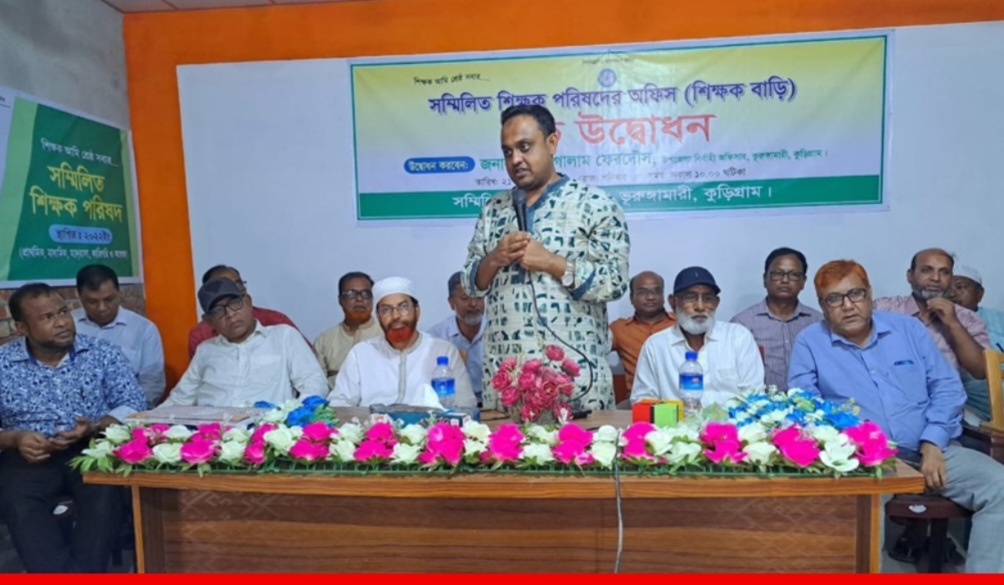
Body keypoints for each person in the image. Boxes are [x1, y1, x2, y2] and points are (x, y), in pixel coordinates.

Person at [788, 259, 1004, 574]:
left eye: (855, 294)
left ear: (869, 293)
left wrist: (933, 441)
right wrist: (857, 448)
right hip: (863, 460)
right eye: (834, 299)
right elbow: (805, 408)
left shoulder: (908, 329)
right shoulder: (810, 342)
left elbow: (947, 388)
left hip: (933, 448)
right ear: (822, 306)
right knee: (858, 505)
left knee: (999, 486)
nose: (848, 306)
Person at [461, 104, 630, 412]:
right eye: (508, 152)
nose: (515, 159)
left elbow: (614, 281)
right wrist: (495, 258)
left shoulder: (595, 203)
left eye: (524, 147)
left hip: (576, 380)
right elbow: (470, 283)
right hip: (508, 381)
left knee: (582, 445)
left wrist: (552, 263)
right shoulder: (493, 210)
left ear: (552, 143)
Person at [0, 283, 146, 573]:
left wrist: (95, 425)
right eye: (47, 317)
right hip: (26, 456)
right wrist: (15, 438)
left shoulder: (102, 353)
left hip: (90, 448)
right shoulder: (3, 364)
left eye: (63, 312)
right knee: (17, 499)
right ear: (22, 328)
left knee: (106, 493)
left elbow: (134, 403)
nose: (62, 322)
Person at [162, 278, 328, 407]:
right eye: (218, 311)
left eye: (235, 304)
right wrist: (148, 422)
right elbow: (179, 400)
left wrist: (295, 416)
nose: (230, 314)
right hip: (212, 433)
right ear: (209, 321)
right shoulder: (205, 350)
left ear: (248, 303)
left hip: (266, 431)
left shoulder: (283, 336)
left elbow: (313, 382)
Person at [329, 277, 476, 409]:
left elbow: (465, 404)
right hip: (374, 428)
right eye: (386, 310)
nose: (396, 316)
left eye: (403, 307)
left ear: (417, 311)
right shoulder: (361, 354)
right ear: (378, 316)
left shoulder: (443, 350)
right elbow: (339, 404)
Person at [631, 267, 764, 406]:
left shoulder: (738, 337)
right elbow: (641, 401)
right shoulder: (656, 346)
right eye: (690, 297)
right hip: (677, 419)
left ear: (716, 303)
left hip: (731, 419)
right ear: (673, 302)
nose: (700, 307)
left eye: (707, 298)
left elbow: (754, 396)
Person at [873, 248, 989, 380]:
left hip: (946, 392)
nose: (936, 278)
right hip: (889, 392)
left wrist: (954, 324)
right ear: (910, 276)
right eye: (926, 270)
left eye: (944, 272)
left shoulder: (967, 318)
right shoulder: (882, 309)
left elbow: (982, 371)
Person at [72, 264, 166, 407]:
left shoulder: (143, 329)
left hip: (129, 412)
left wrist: (125, 413)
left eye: (109, 299)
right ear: (79, 296)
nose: (102, 308)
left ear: (119, 292)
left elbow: (152, 383)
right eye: (92, 302)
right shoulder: (67, 326)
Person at [730, 247, 822, 391]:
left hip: (811, 403)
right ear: (765, 279)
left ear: (803, 281)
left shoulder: (818, 322)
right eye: (778, 274)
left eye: (794, 275)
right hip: (758, 403)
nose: (785, 280)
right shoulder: (742, 324)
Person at [187, 264, 307, 359]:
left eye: (238, 283)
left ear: (248, 300)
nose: (234, 289)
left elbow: (308, 363)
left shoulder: (276, 322)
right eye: (223, 285)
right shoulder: (201, 336)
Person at [949, 264, 1004, 423]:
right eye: (947, 289)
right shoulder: (938, 324)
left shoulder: (999, 319)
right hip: (975, 407)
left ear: (979, 294)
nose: (952, 294)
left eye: (960, 287)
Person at [610, 271, 676, 393]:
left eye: (657, 291)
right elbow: (593, 350)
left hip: (676, 396)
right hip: (638, 398)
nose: (650, 297)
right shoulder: (619, 329)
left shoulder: (680, 324)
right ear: (631, 297)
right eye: (642, 292)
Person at [313, 271, 382, 387]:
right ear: (340, 300)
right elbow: (315, 384)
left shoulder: (387, 335)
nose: (359, 299)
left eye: (366, 293)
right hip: (335, 398)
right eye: (351, 294)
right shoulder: (324, 340)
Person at [426, 271, 486, 405]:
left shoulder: (498, 332)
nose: (473, 304)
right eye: (465, 298)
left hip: (494, 405)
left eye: (478, 297)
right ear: (451, 303)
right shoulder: (436, 337)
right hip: (454, 406)